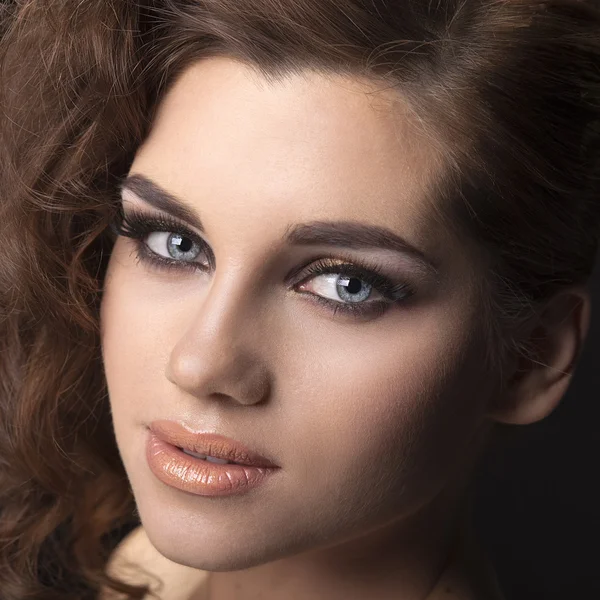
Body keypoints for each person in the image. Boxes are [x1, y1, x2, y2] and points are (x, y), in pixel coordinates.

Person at [0, 1, 599, 599]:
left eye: (347, 285)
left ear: (530, 358)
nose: (200, 364)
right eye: (174, 243)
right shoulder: (151, 578)